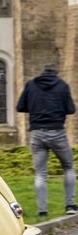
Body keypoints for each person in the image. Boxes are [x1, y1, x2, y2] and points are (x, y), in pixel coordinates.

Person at [16, 62, 77, 218]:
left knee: (40, 173)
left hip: (37, 133)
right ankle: (70, 205)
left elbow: (20, 106)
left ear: (43, 72)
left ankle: (42, 211)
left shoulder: (30, 85)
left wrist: (36, 106)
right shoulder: (62, 85)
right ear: (56, 72)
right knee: (68, 167)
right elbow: (71, 109)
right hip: (57, 132)